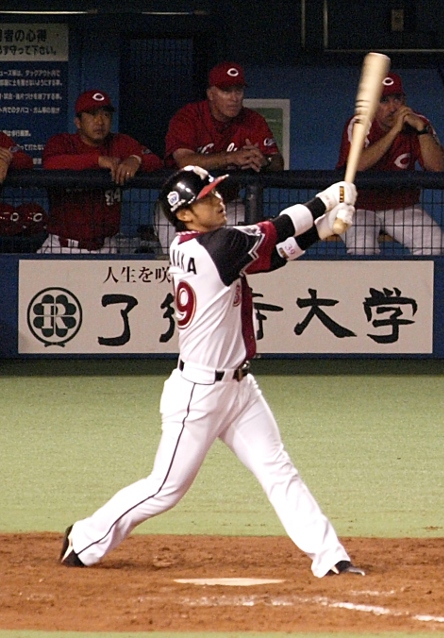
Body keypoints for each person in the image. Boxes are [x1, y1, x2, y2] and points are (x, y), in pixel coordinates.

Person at [60, 165, 365, 578]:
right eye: (206, 197)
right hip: (198, 393)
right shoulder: (215, 248)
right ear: (184, 214)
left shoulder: (199, 246)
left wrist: (320, 232)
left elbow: (269, 258)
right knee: (165, 489)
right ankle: (84, 538)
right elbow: (276, 229)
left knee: (277, 468)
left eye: (216, 192)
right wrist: (328, 200)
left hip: (239, 388)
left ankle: (330, 557)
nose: (218, 199)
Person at [161, 61, 284, 249]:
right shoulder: (188, 117)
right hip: (183, 204)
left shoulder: (253, 121)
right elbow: (184, 161)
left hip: (228, 205)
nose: (234, 98)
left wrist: (264, 161)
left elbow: (277, 162)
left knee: (250, 250)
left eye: (239, 90)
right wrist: (230, 157)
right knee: (180, 258)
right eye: (226, 91)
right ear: (211, 94)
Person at [336, 71, 444, 255]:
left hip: (401, 206)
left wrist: (420, 130)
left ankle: (413, 285)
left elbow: (437, 167)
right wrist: (394, 131)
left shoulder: (419, 123)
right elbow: (357, 166)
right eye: (384, 101)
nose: (393, 107)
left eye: (397, 99)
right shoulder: (359, 123)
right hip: (359, 206)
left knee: (433, 241)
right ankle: (366, 285)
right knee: (361, 247)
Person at [39, 90, 163, 254]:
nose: (99, 121)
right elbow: (51, 163)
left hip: (107, 247)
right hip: (62, 246)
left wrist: (135, 160)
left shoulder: (121, 143)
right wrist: (97, 160)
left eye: (105, 115)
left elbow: (156, 161)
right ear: (78, 122)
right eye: (92, 115)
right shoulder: (62, 142)